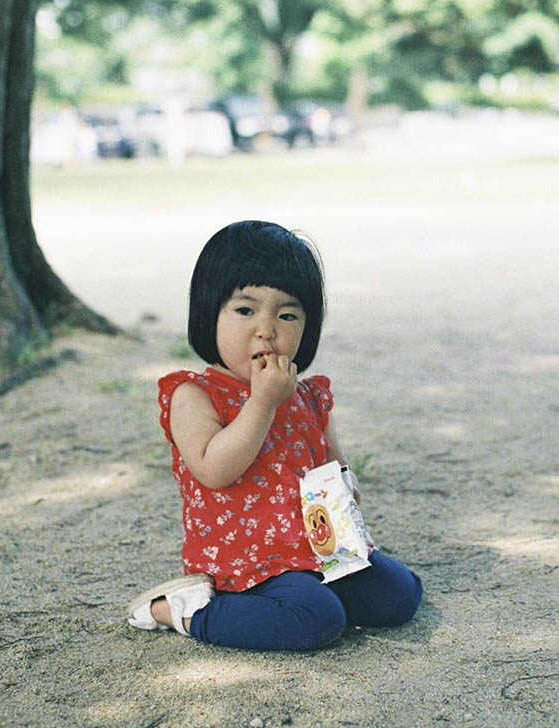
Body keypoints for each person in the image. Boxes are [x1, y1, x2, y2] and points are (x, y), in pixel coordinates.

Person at [127, 220, 422, 651]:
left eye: (287, 315)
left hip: (321, 548)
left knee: (400, 596)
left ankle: (317, 594)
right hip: (249, 562)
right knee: (315, 623)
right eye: (245, 311)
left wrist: (346, 484)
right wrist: (262, 402)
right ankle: (186, 610)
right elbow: (214, 470)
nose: (266, 329)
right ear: (210, 313)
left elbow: (333, 463)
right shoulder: (193, 394)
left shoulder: (309, 395)